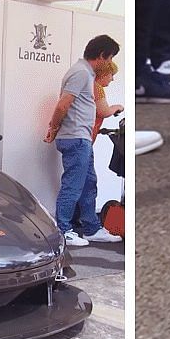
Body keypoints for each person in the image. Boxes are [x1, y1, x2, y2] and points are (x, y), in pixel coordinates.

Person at [45, 35, 125, 246]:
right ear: (102, 56)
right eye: (110, 58)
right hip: (76, 138)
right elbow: (63, 105)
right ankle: (63, 230)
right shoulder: (81, 73)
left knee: (89, 184)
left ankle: (91, 228)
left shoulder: (86, 74)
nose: (110, 64)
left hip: (81, 138)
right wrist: (53, 128)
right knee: (73, 185)